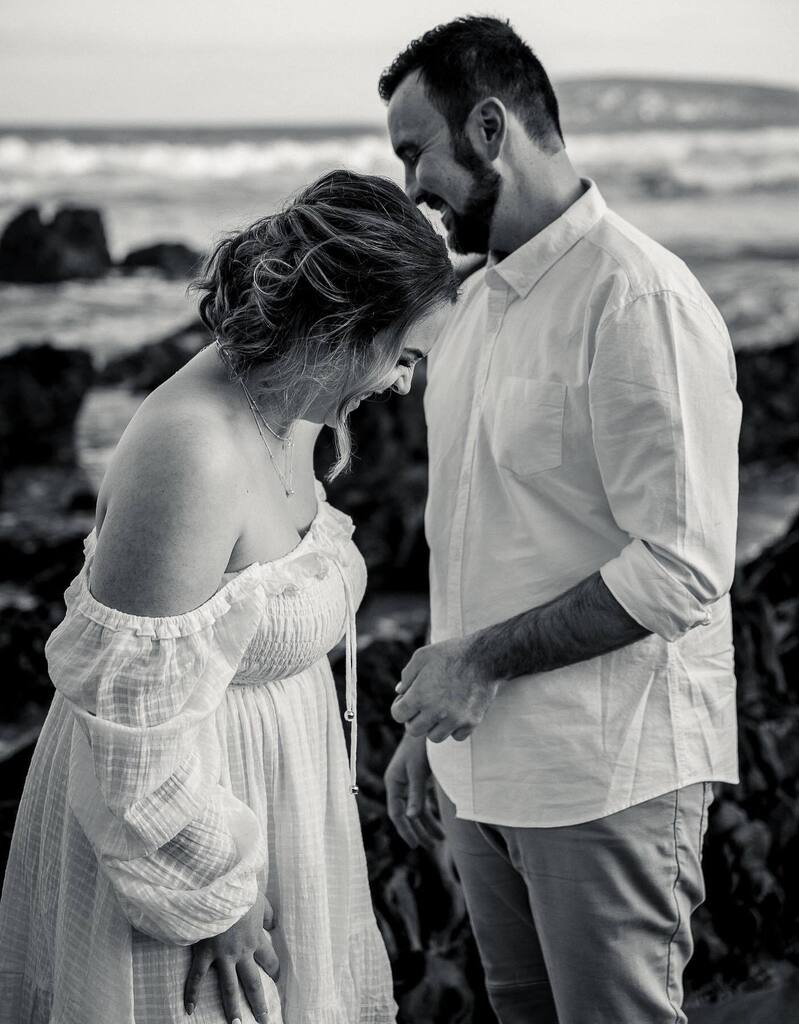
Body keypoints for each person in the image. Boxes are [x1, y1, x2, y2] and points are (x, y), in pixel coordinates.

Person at [0, 169, 457, 1024]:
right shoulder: (193, 452)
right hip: (175, 848)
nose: (403, 384)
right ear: (343, 327)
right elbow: (131, 720)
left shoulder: (296, 406)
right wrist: (216, 895)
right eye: (404, 357)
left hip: (275, 802)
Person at [380, 17, 743, 1024]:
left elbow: (679, 566)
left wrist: (477, 662)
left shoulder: (638, 301)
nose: (410, 187)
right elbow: (480, 536)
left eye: (415, 152)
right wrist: (432, 727)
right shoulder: (469, 307)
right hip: (483, 774)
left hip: (605, 776)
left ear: (489, 128)